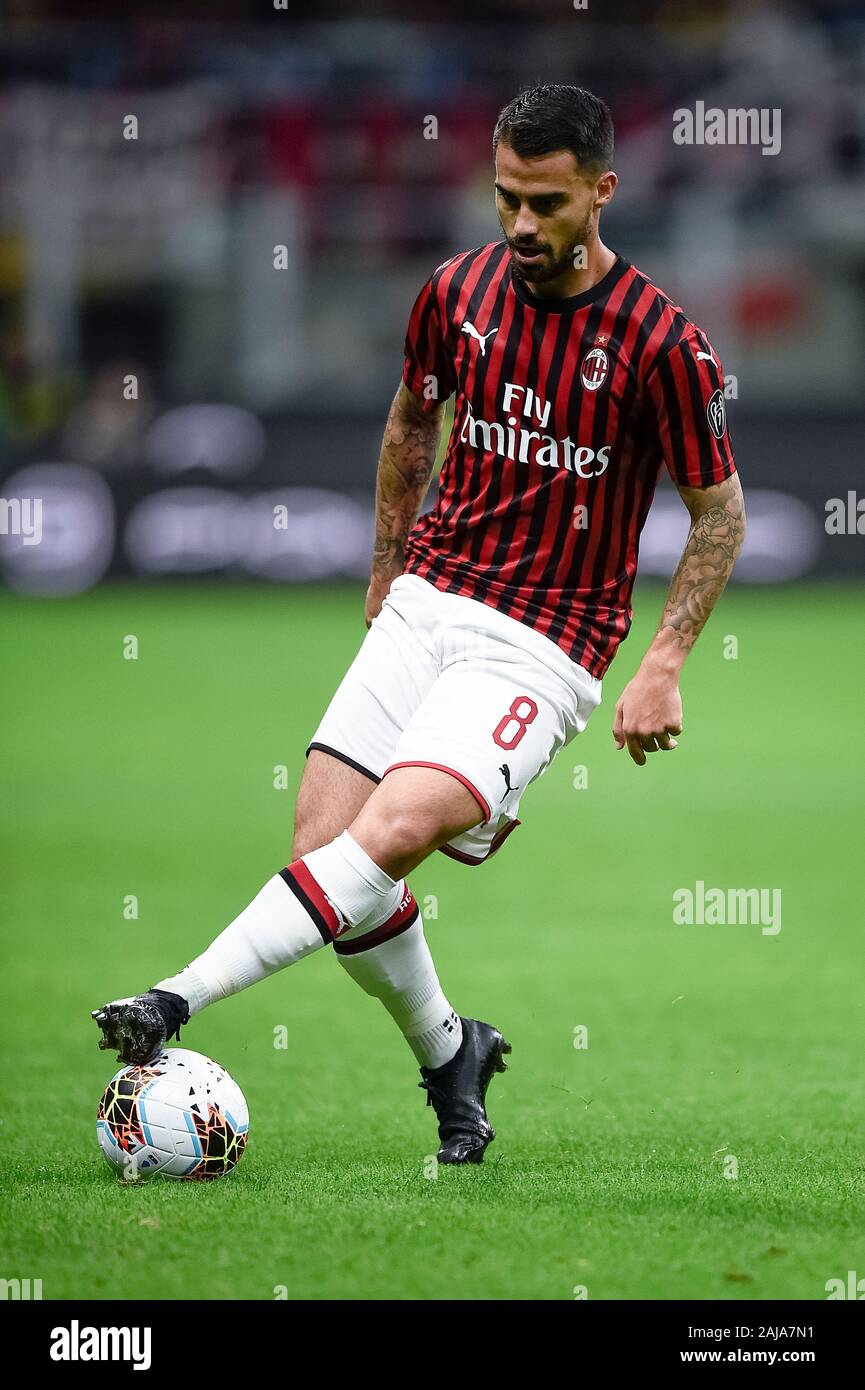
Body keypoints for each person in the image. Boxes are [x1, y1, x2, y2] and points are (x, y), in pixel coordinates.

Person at [92, 84, 745, 1166]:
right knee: (323, 859)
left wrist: (664, 660)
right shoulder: (456, 291)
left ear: (601, 192)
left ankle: (171, 998)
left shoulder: (662, 343)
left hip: (541, 642)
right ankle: (451, 1052)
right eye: (504, 199)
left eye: (545, 203)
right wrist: (387, 572)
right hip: (427, 600)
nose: (522, 226)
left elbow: (717, 513)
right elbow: (410, 426)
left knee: (385, 837)